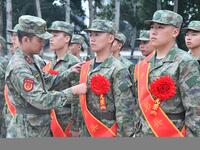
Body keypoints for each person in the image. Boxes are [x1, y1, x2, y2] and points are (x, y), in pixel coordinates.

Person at [5, 15, 87, 138]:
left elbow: (46, 81)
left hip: (40, 126)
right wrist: (72, 91)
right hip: (27, 130)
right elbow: (40, 100)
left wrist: (68, 73)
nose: (43, 43)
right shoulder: (19, 67)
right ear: (26, 40)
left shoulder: (33, 59)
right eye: (39, 40)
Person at [134, 10, 200, 137]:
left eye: (160, 27)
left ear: (175, 32)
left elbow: (195, 110)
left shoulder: (185, 62)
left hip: (171, 132)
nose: (153, 31)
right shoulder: (145, 63)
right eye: (152, 27)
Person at [79, 19, 136, 137]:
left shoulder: (119, 69)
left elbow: (124, 110)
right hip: (86, 129)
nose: (92, 38)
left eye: (97, 34)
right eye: (91, 34)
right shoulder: (86, 66)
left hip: (108, 129)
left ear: (110, 38)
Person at [46, 21, 81, 137]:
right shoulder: (51, 62)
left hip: (65, 121)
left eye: (55, 35)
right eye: (51, 35)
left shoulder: (74, 63)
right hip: (49, 117)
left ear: (67, 38)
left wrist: (75, 126)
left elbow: (77, 97)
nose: (51, 38)